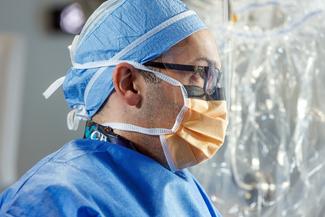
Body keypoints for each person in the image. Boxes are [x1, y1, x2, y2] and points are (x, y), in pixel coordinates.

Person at [0, 0, 228, 216]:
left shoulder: (182, 187)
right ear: (129, 84)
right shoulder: (50, 200)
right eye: (199, 74)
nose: (213, 98)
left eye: (214, 79)